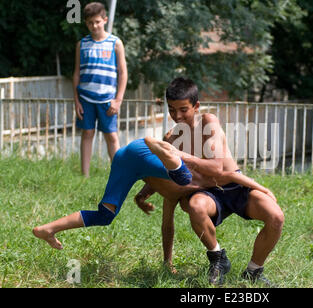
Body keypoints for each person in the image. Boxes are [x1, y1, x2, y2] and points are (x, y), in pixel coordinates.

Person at [32, 136, 276, 271]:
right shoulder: (196, 185)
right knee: (184, 176)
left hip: (127, 158)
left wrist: (141, 197)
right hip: (146, 152)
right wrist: (261, 187)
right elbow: (230, 174)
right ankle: (164, 147)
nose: (190, 208)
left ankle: (48, 229)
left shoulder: (172, 195)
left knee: (104, 216)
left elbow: (164, 218)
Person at [135, 77, 284, 286]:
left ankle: (253, 271)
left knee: (276, 216)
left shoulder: (208, 121)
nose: (177, 116)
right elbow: (165, 173)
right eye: (171, 109)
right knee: (194, 205)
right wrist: (144, 192)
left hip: (235, 186)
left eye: (183, 109)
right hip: (207, 194)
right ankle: (218, 258)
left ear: (196, 106)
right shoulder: (172, 138)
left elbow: (216, 167)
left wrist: (180, 155)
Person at [73, 2, 128, 177]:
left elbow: (123, 72)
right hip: (86, 99)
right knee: (87, 133)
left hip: (107, 100)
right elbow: (76, 74)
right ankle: (85, 175)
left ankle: (119, 175)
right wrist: (76, 101)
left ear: (104, 20)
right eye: (90, 23)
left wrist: (118, 99)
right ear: (86, 23)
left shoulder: (115, 43)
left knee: (111, 136)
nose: (94, 26)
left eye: (97, 21)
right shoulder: (82, 44)